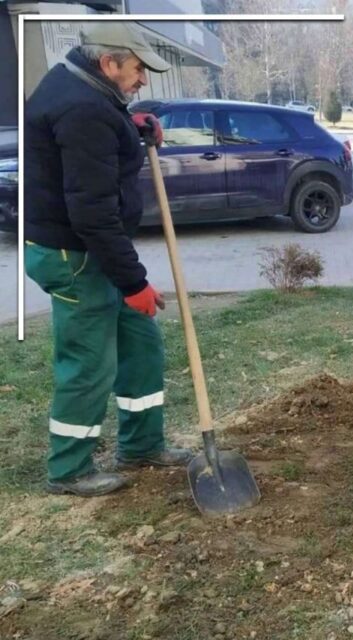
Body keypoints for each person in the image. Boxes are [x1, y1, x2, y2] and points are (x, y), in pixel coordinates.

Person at [24, 22, 191, 497]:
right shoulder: (82, 109)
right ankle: (69, 469)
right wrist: (133, 282)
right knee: (89, 362)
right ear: (109, 63)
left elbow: (96, 129)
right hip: (73, 255)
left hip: (91, 248)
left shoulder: (84, 89)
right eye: (138, 69)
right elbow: (92, 213)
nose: (144, 80)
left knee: (141, 345)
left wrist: (130, 123)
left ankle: (141, 445)